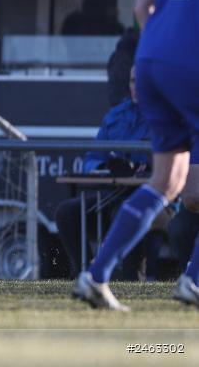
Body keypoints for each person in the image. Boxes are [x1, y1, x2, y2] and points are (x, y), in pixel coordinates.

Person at [73, 0, 199, 310]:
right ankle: (194, 281)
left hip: (148, 62)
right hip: (190, 64)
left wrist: (163, 50)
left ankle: (95, 277)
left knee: (167, 180)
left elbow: (140, 6)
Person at [55, 67, 167, 280]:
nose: (136, 87)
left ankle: (130, 281)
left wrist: (148, 166)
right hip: (112, 195)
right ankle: (85, 276)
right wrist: (106, 165)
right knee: (66, 212)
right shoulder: (116, 115)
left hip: (159, 200)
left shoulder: (166, 117)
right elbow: (91, 159)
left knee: (128, 211)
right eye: (133, 81)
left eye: (141, 82)